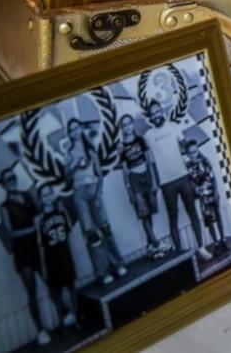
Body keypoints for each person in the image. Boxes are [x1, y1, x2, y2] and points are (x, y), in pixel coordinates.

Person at [144, 97, 211, 260]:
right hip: (166, 183)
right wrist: (156, 183)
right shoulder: (148, 136)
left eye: (158, 111)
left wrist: (202, 158)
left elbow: (187, 147)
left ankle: (201, 248)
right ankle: (181, 256)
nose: (156, 115)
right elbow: (150, 163)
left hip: (183, 177)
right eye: (152, 114)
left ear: (162, 112)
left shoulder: (174, 127)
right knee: (172, 217)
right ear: (150, 117)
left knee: (192, 212)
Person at [63, 118, 127, 284]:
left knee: (105, 229)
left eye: (77, 128)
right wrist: (74, 166)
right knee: (91, 235)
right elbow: (66, 178)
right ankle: (103, 272)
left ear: (81, 129)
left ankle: (118, 263)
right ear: (69, 134)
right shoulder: (69, 153)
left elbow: (99, 174)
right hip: (79, 193)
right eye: (72, 130)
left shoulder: (90, 149)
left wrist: (98, 195)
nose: (75, 132)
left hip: (93, 189)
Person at [0, 169, 53, 346]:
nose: (12, 181)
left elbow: (40, 211)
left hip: (37, 246)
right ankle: (40, 330)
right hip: (22, 252)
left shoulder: (28, 196)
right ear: (3, 185)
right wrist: (33, 228)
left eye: (13, 177)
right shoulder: (4, 208)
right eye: (8, 180)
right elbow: (11, 234)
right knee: (32, 290)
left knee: (50, 280)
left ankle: (67, 313)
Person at [35, 183, 78, 336]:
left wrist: (72, 256)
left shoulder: (61, 211)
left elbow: (69, 234)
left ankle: (77, 318)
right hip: (51, 259)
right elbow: (40, 245)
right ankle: (62, 326)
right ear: (40, 199)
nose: (47, 197)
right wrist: (44, 267)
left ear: (53, 195)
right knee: (57, 293)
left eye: (49, 194)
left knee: (72, 288)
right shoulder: (39, 220)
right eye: (44, 195)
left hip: (65, 255)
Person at [118, 114, 163, 258]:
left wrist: (154, 181)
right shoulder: (121, 147)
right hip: (134, 180)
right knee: (143, 214)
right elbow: (124, 171)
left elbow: (149, 161)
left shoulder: (140, 140)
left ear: (132, 124)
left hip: (147, 176)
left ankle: (151, 246)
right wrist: (129, 191)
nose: (127, 127)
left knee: (149, 212)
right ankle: (156, 244)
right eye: (124, 125)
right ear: (121, 128)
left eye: (129, 123)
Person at [181, 138, 226, 255]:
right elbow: (190, 182)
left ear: (198, 150)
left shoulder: (205, 161)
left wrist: (216, 192)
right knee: (209, 220)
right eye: (191, 152)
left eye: (195, 151)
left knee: (218, 215)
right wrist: (195, 190)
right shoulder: (188, 166)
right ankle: (216, 243)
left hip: (211, 192)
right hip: (202, 196)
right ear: (187, 154)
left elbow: (213, 177)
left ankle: (223, 240)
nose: (194, 154)